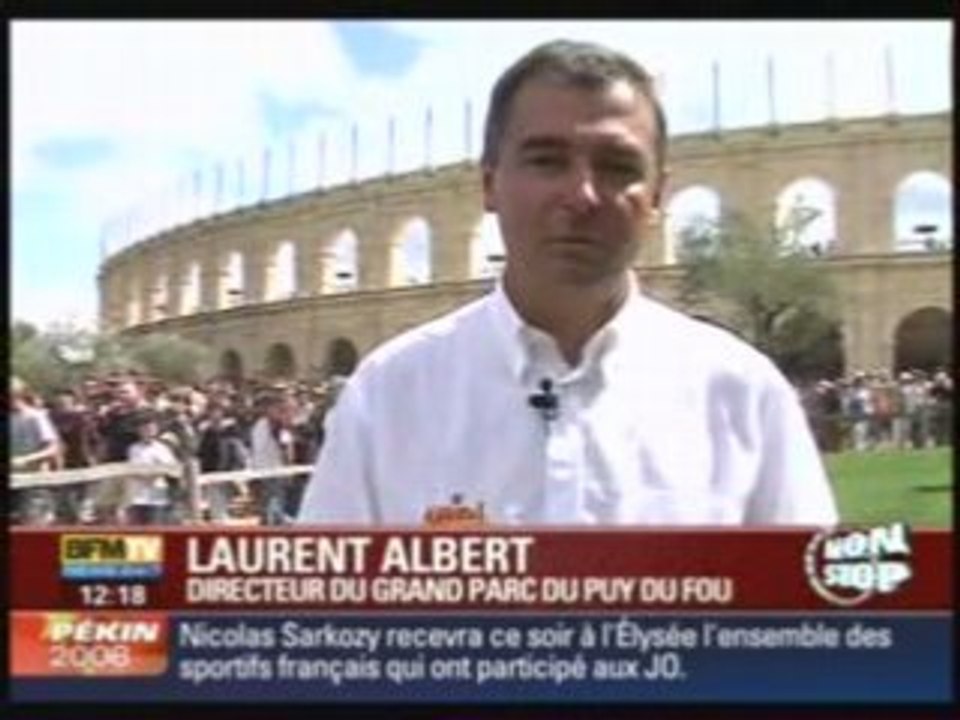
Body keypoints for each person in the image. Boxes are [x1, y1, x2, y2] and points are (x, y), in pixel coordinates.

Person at [297, 39, 838, 527]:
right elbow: (325, 620)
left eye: (617, 166)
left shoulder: (742, 393)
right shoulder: (390, 393)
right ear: (489, 184)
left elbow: (815, 615)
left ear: (656, 196)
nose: (581, 195)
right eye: (547, 160)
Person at [10, 377, 63, 525]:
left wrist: (27, 459)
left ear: (16, 395)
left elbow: (53, 448)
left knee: (32, 526)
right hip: (12, 481)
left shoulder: (36, 417)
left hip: (32, 482)